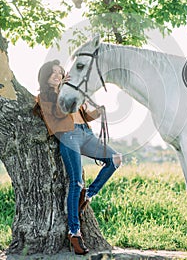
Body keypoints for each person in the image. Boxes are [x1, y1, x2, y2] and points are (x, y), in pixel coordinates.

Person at [34, 59, 122, 255]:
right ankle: (74, 232)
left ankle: (88, 195)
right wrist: (64, 90)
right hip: (68, 136)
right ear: (46, 78)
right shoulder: (44, 97)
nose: (58, 75)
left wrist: (97, 112)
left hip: (86, 134)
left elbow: (84, 116)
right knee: (76, 182)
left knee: (115, 159)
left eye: (60, 72)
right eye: (53, 73)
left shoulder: (69, 93)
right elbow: (59, 113)